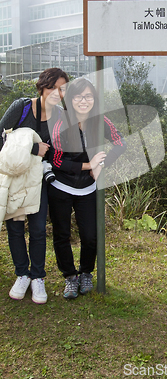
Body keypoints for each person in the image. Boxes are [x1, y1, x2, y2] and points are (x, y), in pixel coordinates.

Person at [48, 77, 126, 299]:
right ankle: (70, 277)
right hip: (61, 186)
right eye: (78, 96)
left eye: (88, 96)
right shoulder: (61, 122)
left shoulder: (100, 120)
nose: (84, 100)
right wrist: (88, 165)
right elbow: (57, 160)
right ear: (70, 99)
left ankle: (86, 273)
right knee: (62, 234)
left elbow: (121, 143)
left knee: (90, 236)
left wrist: (101, 165)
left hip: (87, 188)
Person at [0, 67, 69, 304]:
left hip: (39, 179)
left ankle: (38, 276)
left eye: (61, 89)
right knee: (15, 228)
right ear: (42, 86)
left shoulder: (60, 115)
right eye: (52, 87)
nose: (56, 93)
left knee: (38, 229)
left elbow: (61, 149)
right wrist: (32, 149)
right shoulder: (22, 107)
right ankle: (22, 274)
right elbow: (1, 135)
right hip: (16, 177)